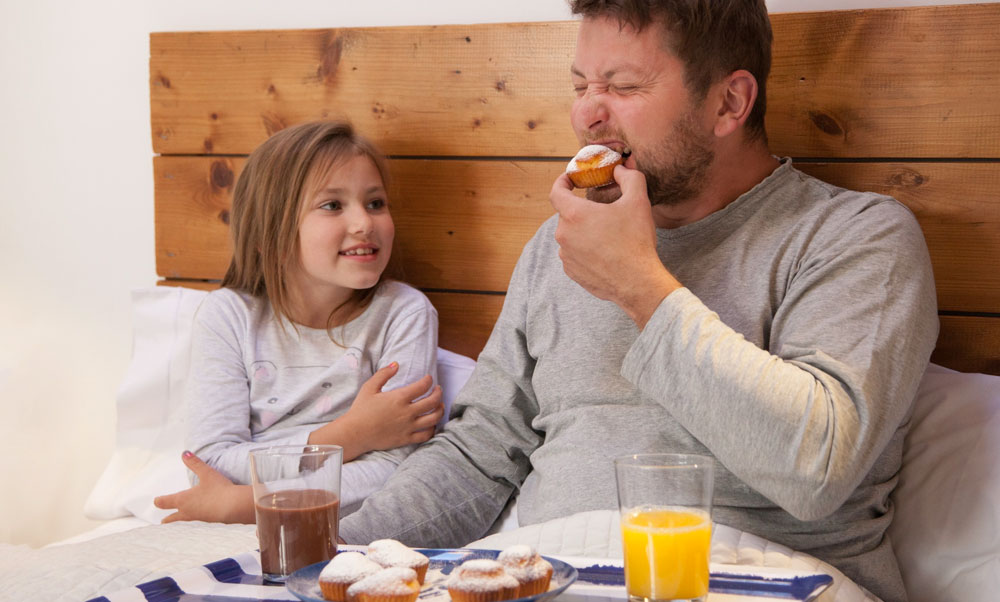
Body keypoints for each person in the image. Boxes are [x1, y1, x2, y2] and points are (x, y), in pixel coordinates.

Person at [338, 2, 936, 601]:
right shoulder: (560, 243)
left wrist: (640, 285)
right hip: (557, 573)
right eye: (580, 85)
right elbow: (481, 452)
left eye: (622, 86)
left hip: (762, 578)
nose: (586, 114)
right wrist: (337, 555)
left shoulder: (855, 236)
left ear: (729, 102)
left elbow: (818, 466)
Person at [153, 120, 444, 523]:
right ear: (269, 232)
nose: (364, 223)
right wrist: (352, 434)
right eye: (333, 205)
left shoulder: (403, 315)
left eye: (375, 203)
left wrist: (246, 502)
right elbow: (209, 461)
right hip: (230, 521)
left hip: (329, 526)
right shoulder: (228, 315)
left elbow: (401, 471)